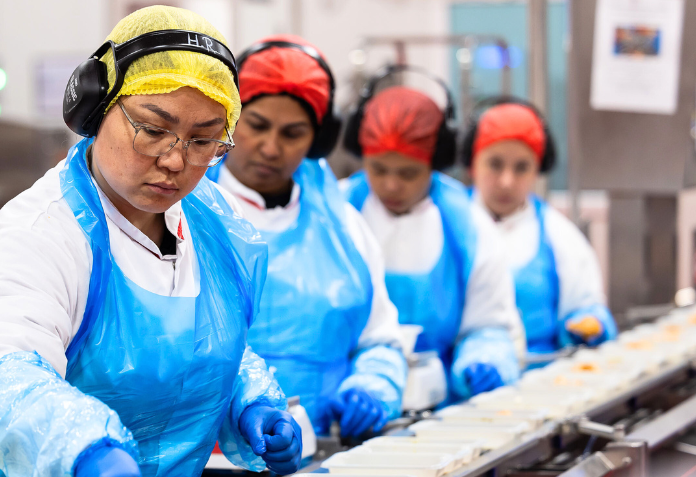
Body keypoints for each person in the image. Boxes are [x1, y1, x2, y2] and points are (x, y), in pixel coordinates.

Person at [0, 7, 302, 477]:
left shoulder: (212, 224)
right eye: (153, 129)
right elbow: (3, 373)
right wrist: (84, 448)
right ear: (96, 109)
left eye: (202, 141)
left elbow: (201, 342)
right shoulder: (43, 229)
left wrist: (250, 402)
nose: (175, 160)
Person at [205, 35, 407, 439]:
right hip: (205, 460)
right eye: (257, 126)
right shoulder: (184, 213)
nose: (271, 147)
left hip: (320, 451)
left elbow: (380, 338)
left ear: (317, 140)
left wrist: (373, 385)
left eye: (292, 133)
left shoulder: (343, 227)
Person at [340, 74, 523, 401]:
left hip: (441, 407)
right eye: (379, 170)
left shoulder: (466, 224)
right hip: (347, 400)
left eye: (408, 173)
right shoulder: (337, 212)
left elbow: (489, 322)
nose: (392, 186)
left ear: (435, 164)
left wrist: (485, 357)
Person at [463, 98, 617, 359]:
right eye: (495, 164)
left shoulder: (560, 236)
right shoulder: (446, 223)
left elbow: (584, 304)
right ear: (472, 164)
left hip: (539, 387)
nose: (506, 182)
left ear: (538, 170)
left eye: (522, 167)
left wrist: (587, 322)